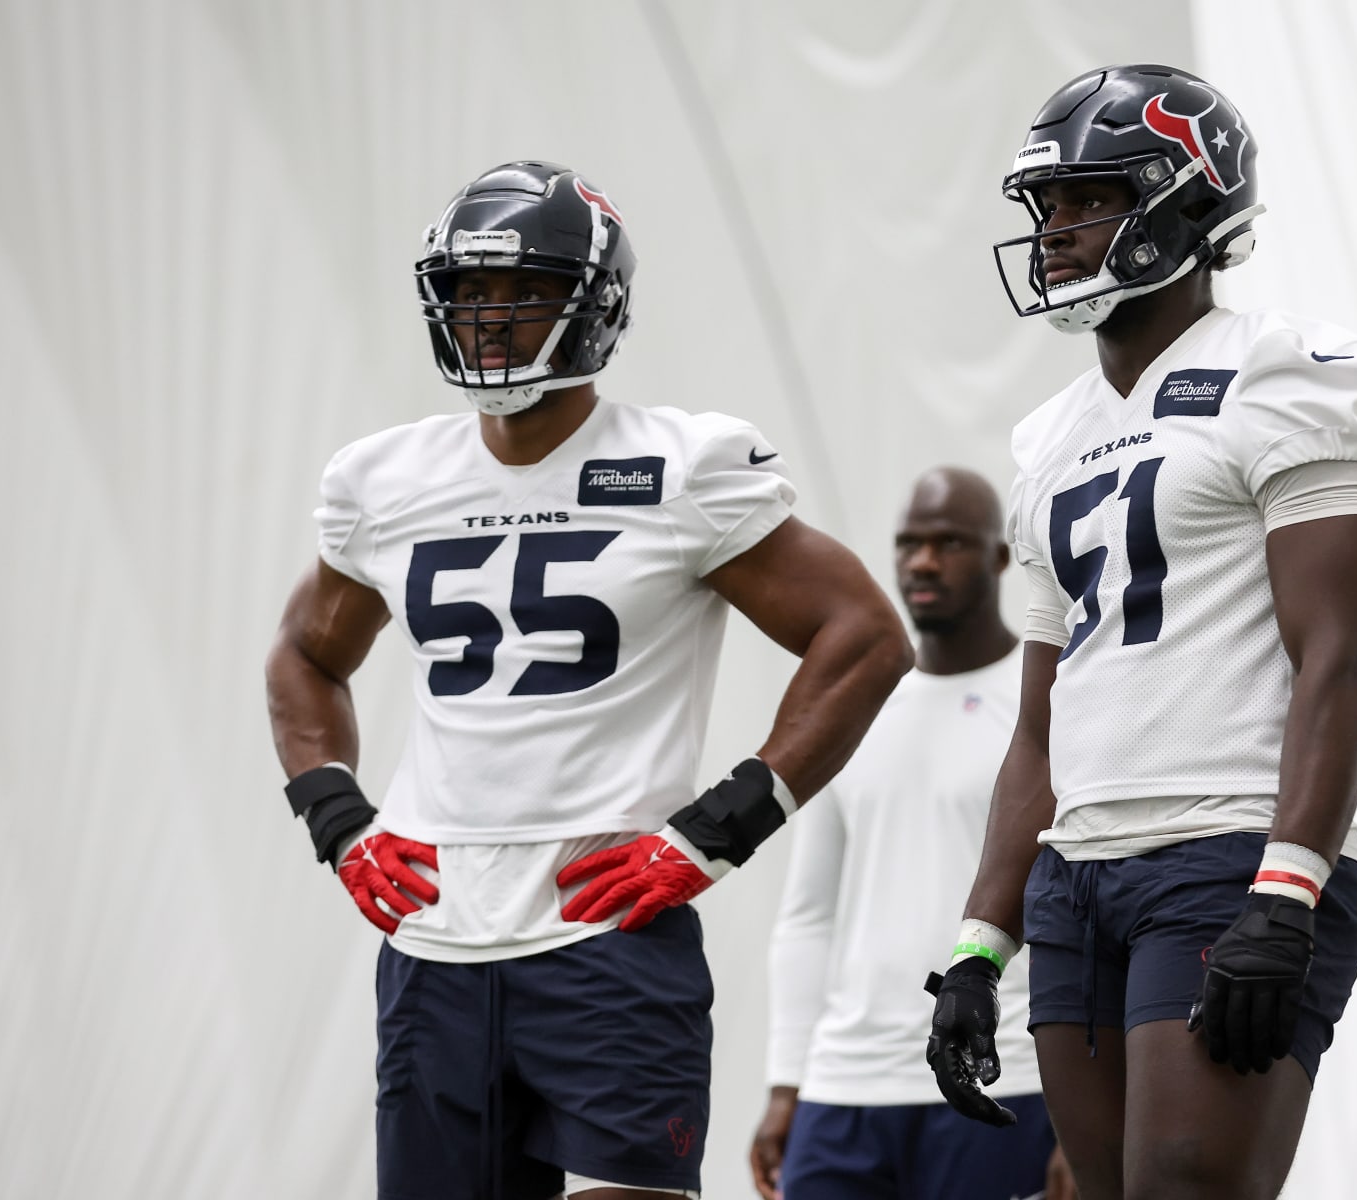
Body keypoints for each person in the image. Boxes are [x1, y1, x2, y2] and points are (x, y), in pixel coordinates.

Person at [264, 161, 913, 1200]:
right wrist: (337, 818)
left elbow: (864, 635)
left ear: (591, 303)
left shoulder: (682, 465)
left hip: (608, 936)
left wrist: (719, 828)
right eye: (468, 294)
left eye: (516, 293)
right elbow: (305, 653)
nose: (486, 320)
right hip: (436, 939)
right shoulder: (383, 479)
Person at [925, 66, 1357, 1200]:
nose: (1055, 232)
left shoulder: (1285, 370)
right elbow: (1038, 727)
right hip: (1076, 875)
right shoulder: (1049, 435)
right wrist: (977, 949)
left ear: (1188, 201)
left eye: (1087, 199)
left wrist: (1289, 890)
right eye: (1046, 207)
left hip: (1226, 851)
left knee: (1188, 1189)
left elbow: (1346, 654)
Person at [750, 468, 1075, 1200]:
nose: (923, 562)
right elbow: (810, 914)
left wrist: (1078, 1113)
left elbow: (1087, 908)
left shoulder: (1044, 703)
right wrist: (785, 1083)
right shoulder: (855, 706)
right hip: (845, 1087)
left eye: (950, 543)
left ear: (998, 559)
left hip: (1007, 1079)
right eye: (909, 544)